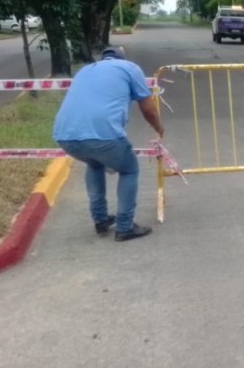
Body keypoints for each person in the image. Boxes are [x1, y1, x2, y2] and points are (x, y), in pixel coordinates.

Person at [53, 46, 164, 242]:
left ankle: (101, 220)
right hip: (102, 135)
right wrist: (158, 127)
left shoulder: (85, 70)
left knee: (94, 164)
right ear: (122, 58)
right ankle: (125, 226)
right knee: (129, 169)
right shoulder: (130, 68)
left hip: (65, 136)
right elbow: (148, 110)